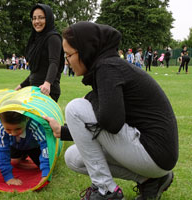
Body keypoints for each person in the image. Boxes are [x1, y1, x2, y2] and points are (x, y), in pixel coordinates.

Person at [43, 22, 178, 200]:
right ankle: (151, 180)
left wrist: (91, 98)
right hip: (156, 156)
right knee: (73, 158)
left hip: (154, 151)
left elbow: (111, 123)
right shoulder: (107, 67)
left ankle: (105, 191)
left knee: (75, 108)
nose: (67, 61)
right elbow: (107, 123)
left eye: (68, 55)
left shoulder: (107, 68)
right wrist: (63, 131)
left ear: (84, 50)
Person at [15, 4, 64, 102]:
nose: (37, 21)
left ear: (48, 19)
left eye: (41, 18)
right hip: (34, 89)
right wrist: (21, 85)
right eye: (34, 18)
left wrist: (47, 83)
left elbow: (54, 62)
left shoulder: (53, 38)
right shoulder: (36, 40)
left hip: (47, 90)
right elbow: (36, 72)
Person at [0, 111, 49, 186]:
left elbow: (45, 146)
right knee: (14, 162)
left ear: (27, 119)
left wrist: (46, 173)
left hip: (34, 146)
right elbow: (1, 150)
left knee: (41, 165)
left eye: (18, 129)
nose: (13, 133)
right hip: (15, 145)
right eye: (8, 130)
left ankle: (27, 154)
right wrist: (8, 177)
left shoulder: (35, 123)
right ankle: (22, 155)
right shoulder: (1, 126)